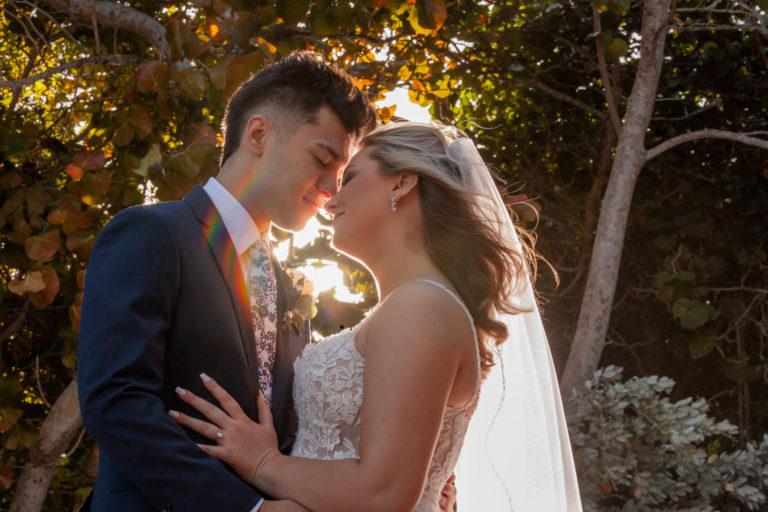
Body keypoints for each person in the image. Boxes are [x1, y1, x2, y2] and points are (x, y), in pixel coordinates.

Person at [78, 52, 462, 511]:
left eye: (343, 175)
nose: (330, 190)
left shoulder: (287, 288)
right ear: (259, 134)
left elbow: (293, 437)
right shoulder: (153, 234)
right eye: (322, 158)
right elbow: (115, 399)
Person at [169, 122, 584, 510]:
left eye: (350, 177)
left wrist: (262, 463)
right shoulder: (415, 306)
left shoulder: (422, 307)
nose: (331, 199)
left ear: (402, 183)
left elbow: (384, 491)